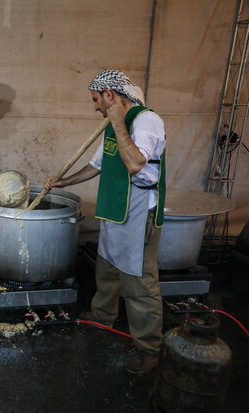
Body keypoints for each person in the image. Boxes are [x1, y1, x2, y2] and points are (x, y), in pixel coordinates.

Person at [45, 69, 166, 375]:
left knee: (139, 282)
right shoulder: (113, 126)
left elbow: (137, 163)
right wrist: (64, 182)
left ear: (110, 95)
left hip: (138, 211)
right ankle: (102, 316)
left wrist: (116, 121)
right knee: (108, 268)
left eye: (96, 99)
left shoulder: (145, 121)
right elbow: (95, 166)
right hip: (115, 207)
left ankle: (149, 347)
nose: (94, 107)